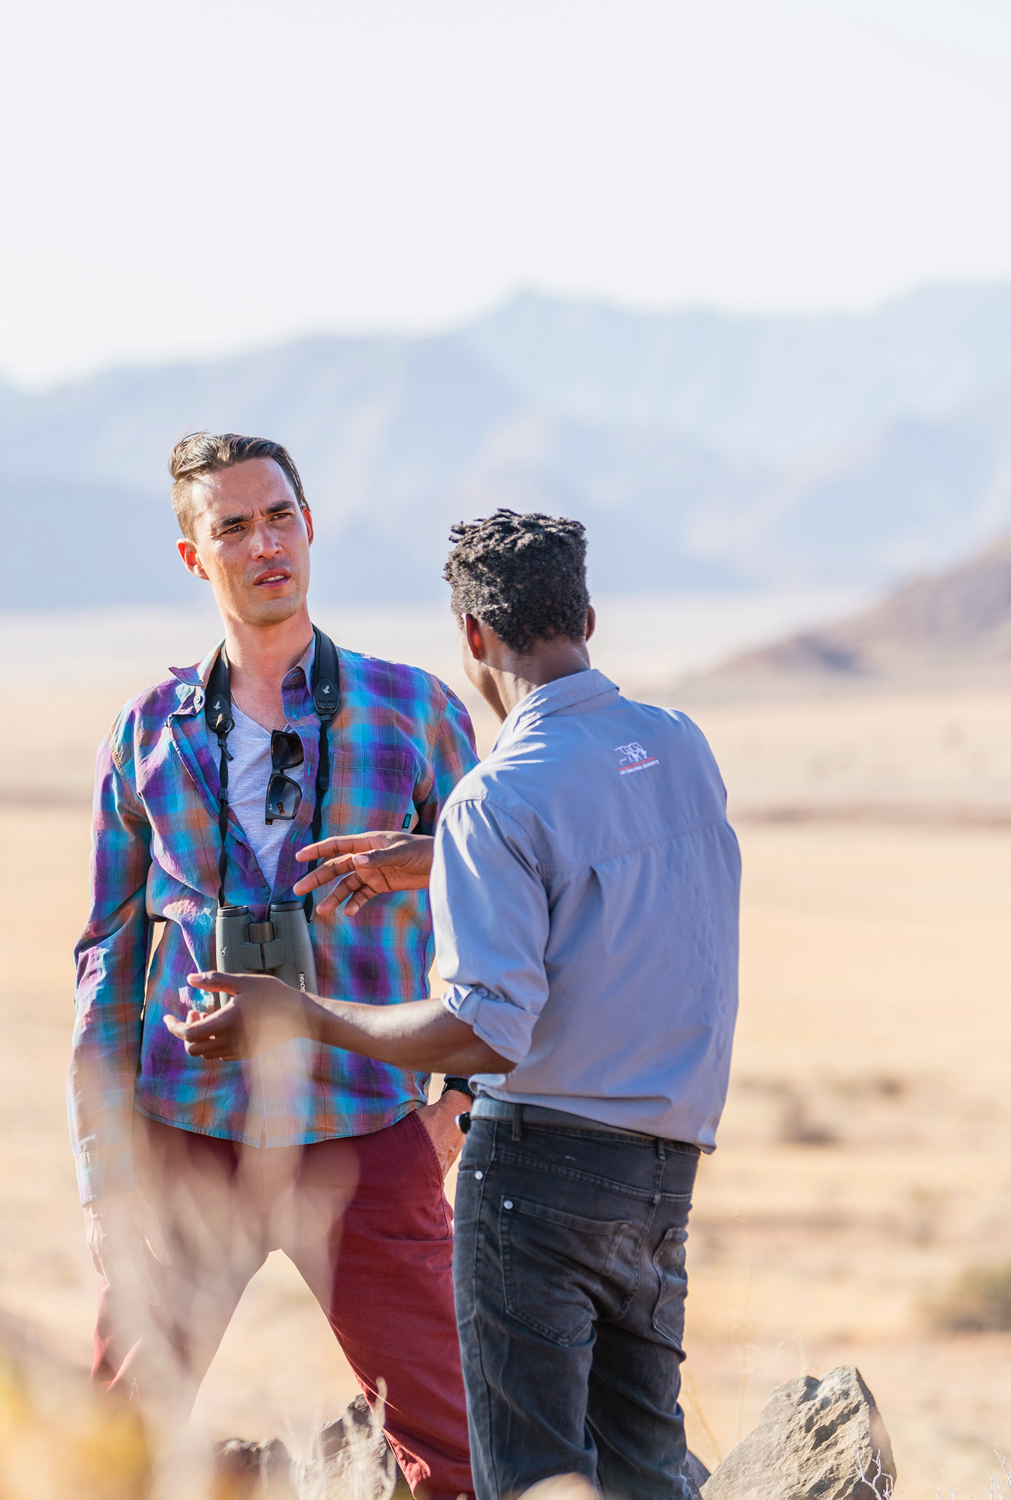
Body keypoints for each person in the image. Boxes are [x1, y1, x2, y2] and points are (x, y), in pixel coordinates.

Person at [170, 510, 741, 1500]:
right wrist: (445, 865)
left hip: (540, 1177)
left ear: (472, 636)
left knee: (530, 1473)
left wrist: (300, 1012)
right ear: (590, 617)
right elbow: (603, 882)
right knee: (646, 1466)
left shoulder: (499, 796)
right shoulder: (677, 744)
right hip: (664, 1170)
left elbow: (479, 1033)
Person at [71, 432, 480, 1497]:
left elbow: (499, 920)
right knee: (110, 1447)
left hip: (364, 1127)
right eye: (233, 526)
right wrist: (101, 1169)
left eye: (280, 517)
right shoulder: (147, 729)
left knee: (458, 1449)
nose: (265, 545)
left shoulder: (416, 710)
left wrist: (465, 1102)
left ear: (311, 527)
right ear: (192, 556)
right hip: (186, 1136)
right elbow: (108, 955)